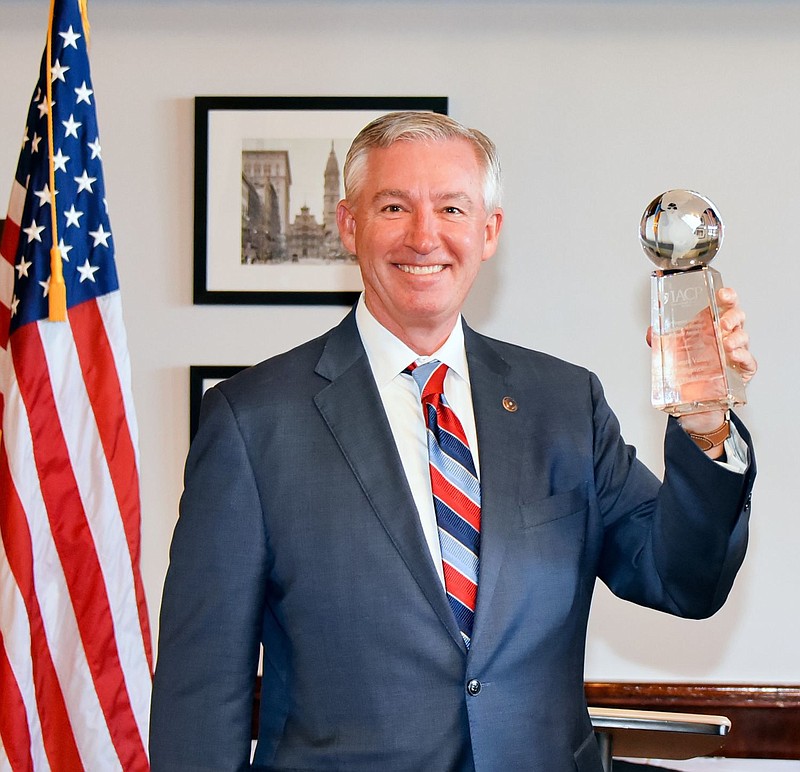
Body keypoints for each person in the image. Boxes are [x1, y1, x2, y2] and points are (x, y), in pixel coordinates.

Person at [150, 112, 756, 771]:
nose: (423, 235)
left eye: (451, 207)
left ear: (488, 231)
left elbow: (684, 581)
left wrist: (705, 426)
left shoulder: (565, 404)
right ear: (348, 224)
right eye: (393, 206)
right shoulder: (250, 421)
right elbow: (201, 690)